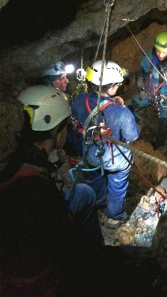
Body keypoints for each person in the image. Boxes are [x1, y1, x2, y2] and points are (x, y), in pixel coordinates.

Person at [0, 85, 104, 296]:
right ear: (57, 130)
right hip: (36, 277)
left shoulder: (18, 153)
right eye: (66, 125)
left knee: (84, 191)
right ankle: (96, 258)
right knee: (85, 194)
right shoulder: (35, 191)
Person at [71, 60, 140, 229]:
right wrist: (123, 108)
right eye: (117, 84)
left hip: (90, 154)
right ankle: (114, 217)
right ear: (111, 87)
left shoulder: (79, 100)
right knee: (119, 177)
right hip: (113, 158)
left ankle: (98, 200)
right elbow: (133, 135)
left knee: (94, 173)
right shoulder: (122, 112)